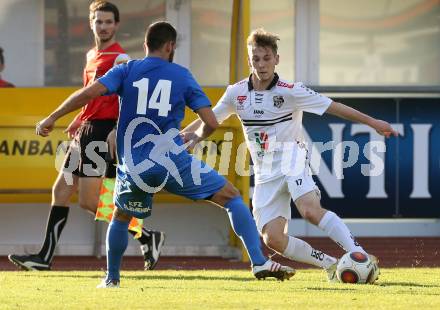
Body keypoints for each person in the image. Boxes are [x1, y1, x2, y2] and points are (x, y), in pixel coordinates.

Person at [35, 21, 295, 288]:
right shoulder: (182, 75)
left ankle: (112, 279)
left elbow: (87, 94)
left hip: (134, 166)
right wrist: (195, 135)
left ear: (146, 44)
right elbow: (211, 121)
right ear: (171, 46)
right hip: (172, 161)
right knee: (231, 197)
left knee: (121, 217)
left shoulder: (127, 70)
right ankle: (259, 261)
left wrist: (53, 117)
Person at [181, 28, 398, 282]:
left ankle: (361, 256)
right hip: (263, 171)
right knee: (273, 239)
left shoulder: (291, 91)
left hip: (292, 158)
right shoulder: (236, 93)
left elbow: (334, 107)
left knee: (309, 210)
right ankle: (331, 265)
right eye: (255, 58)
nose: (261, 64)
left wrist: (373, 122)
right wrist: (179, 138)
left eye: (266, 58)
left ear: (276, 59)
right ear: (249, 60)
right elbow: (208, 121)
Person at [8, 0, 164, 272]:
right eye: (98, 21)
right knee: (61, 190)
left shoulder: (121, 58)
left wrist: (117, 128)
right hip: (86, 131)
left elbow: (130, 98)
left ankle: (148, 236)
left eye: (108, 22)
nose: (103, 26)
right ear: (91, 23)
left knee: (89, 201)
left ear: (116, 25)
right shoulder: (91, 55)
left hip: (103, 132)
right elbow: (89, 97)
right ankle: (44, 258)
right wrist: (78, 120)